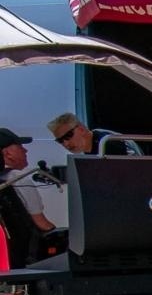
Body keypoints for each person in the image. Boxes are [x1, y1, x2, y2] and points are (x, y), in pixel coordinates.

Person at [0, 128, 66, 266]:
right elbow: (43, 224)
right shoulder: (18, 178)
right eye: (20, 147)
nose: (26, 150)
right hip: (29, 256)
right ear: (7, 153)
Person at [46, 113, 138, 157]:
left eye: (68, 136)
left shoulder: (108, 143)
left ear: (81, 129)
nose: (65, 143)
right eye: (60, 140)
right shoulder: (93, 143)